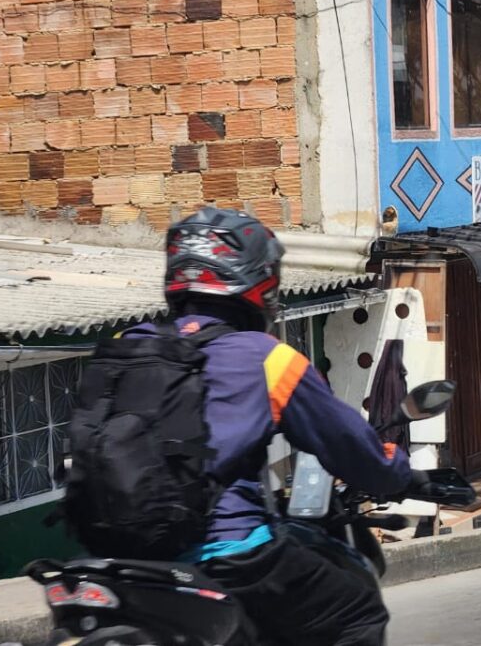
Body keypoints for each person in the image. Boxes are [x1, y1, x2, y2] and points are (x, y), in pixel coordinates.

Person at [138, 208, 411, 644]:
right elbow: (346, 443)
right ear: (258, 279)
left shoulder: (128, 346)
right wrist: (400, 472)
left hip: (127, 558)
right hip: (228, 553)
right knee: (357, 609)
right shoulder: (266, 357)